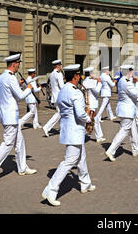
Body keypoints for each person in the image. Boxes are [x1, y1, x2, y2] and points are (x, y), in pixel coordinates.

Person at [42, 64, 96, 206]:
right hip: (75, 130)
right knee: (69, 161)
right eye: (79, 75)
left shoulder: (63, 90)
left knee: (81, 157)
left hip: (67, 129)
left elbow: (61, 109)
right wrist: (89, 118)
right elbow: (79, 114)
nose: (80, 78)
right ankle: (50, 190)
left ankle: (85, 183)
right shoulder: (76, 92)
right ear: (76, 76)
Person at [0, 54, 36, 183]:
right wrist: (28, 89)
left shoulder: (2, 76)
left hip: (8, 114)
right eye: (18, 64)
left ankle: (22, 168)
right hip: (10, 115)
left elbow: (8, 92)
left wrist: (18, 84)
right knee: (7, 144)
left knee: (19, 142)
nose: (19, 66)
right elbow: (20, 96)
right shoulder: (11, 78)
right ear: (14, 64)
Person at [105, 65, 138, 161]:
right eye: (133, 70)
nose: (134, 72)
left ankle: (136, 149)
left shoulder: (122, 80)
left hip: (125, 109)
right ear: (129, 71)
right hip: (127, 110)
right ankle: (111, 150)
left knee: (133, 130)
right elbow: (136, 94)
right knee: (124, 130)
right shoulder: (127, 82)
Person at [82, 67, 106, 143]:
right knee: (91, 120)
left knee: (94, 120)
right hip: (91, 103)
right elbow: (97, 91)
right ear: (90, 74)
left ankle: (99, 136)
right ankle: (97, 136)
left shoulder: (85, 81)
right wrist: (99, 82)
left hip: (88, 103)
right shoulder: (90, 81)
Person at [43, 60, 64, 137]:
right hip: (59, 96)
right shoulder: (59, 74)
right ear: (57, 66)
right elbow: (62, 86)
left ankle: (62, 129)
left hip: (55, 96)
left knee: (61, 113)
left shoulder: (51, 74)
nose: (60, 67)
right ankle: (47, 127)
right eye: (59, 66)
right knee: (59, 113)